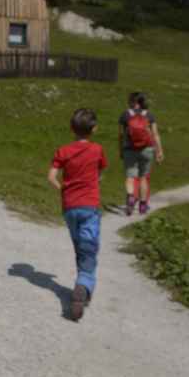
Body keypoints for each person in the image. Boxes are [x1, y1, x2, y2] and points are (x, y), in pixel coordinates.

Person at [47, 108, 108, 321]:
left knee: (79, 248)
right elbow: (100, 174)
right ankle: (82, 287)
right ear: (94, 129)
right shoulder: (97, 150)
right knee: (89, 249)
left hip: (69, 207)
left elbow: (51, 176)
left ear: (71, 128)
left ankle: (82, 285)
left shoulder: (63, 151)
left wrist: (63, 188)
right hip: (89, 206)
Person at [118, 92, 164, 216]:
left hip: (130, 149)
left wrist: (121, 150)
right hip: (147, 150)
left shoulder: (125, 115)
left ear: (133, 102)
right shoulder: (149, 115)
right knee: (143, 177)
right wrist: (159, 151)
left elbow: (121, 135)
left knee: (130, 177)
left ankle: (130, 198)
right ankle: (143, 206)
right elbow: (155, 134)